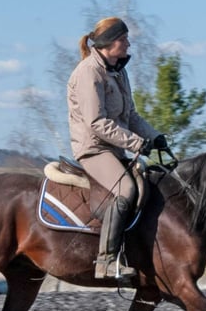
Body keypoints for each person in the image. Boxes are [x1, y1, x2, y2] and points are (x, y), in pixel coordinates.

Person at [67, 16, 168, 280]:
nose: (128, 43)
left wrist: (155, 137)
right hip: (94, 149)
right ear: (108, 43)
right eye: (123, 39)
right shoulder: (89, 72)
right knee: (126, 189)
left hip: (115, 148)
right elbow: (96, 122)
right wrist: (136, 143)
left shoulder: (118, 71)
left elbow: (131, 115)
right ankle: (106, 261)